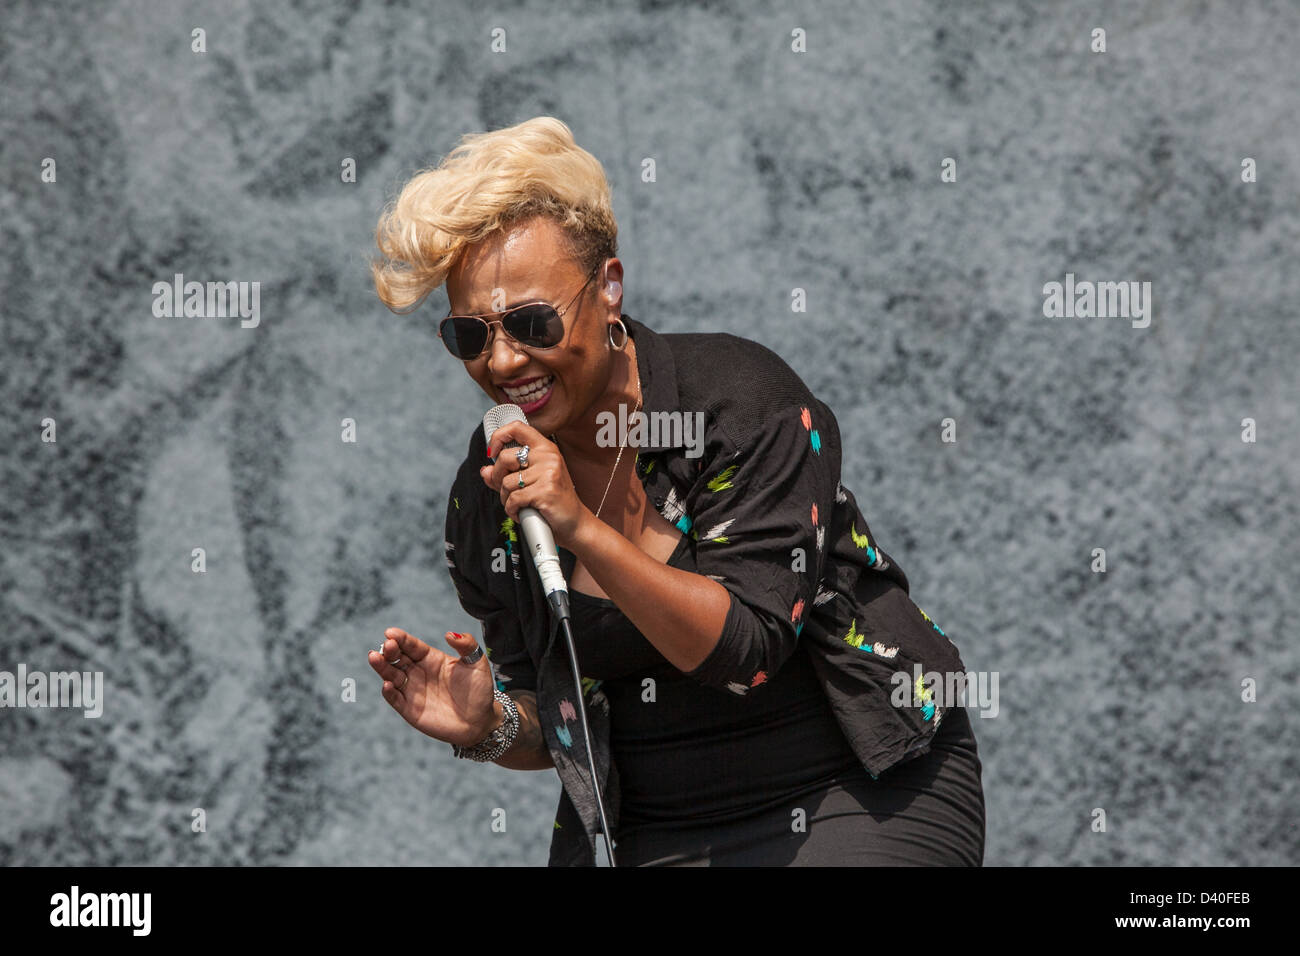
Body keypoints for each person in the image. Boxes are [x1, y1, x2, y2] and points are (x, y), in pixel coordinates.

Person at [366, 116, 986, 866]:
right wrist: (490, 723)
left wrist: (584, 531)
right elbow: (553, 712)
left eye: (531, 322)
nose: (502, 360)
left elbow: (749, 650)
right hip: (660, 831)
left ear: (609, 288)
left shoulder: (737, 405)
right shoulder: (488, 492)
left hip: (857, 786)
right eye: (470, 335)